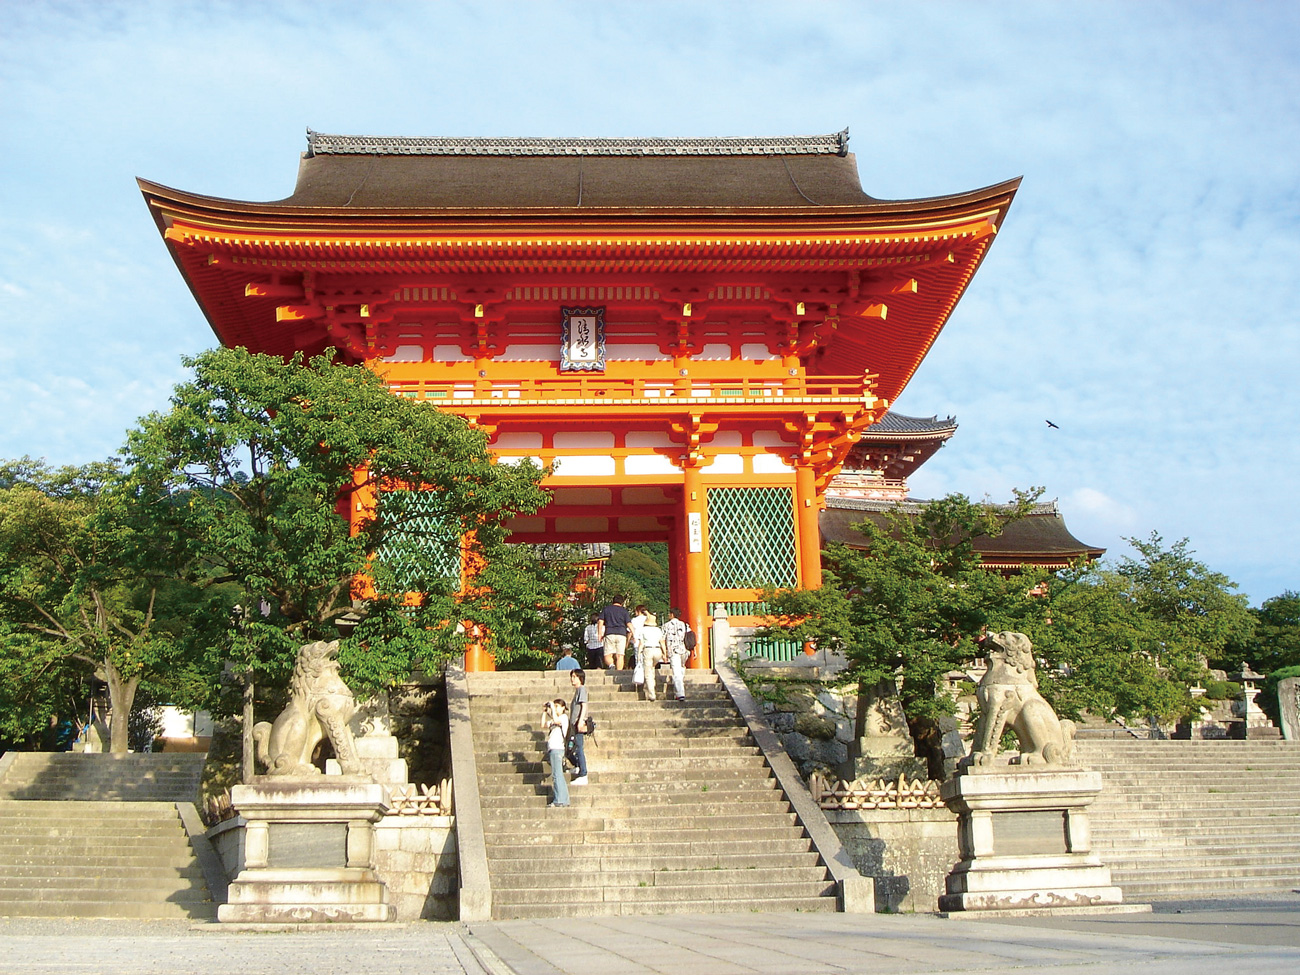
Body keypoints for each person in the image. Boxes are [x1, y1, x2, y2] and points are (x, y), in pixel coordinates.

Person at [660, 607, 694, 701]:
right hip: (684, 650)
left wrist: (664, 653)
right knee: (681, 668)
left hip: (673, 651)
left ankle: (680, 693)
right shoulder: (685, 625)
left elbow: (662, 639)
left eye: (669, 614)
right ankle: (678, 690)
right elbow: (690, 637)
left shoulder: (666, 626)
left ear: (672, 615)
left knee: (676, 672)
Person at [542, 698, 570, 807]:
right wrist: (545, 711)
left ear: (563, 708)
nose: (556, 708)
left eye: (558, 706)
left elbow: (557, 721)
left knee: (557, 775)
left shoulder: (563, 718)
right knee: (557, 774)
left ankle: (559, 799)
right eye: (555, 706)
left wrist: (552, 708)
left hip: (558, 748)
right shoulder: (555, 719)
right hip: (553, 748)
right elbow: (543, 724)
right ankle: (563, 799)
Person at [567, 669, 590, 786]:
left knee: (579, 748)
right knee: (572, 748)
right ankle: (577, 766)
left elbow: (584, 705)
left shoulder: (581, 689)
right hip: (574, 724)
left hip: (578, 724)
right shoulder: (578, 691)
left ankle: (583, 773)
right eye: (572, 676)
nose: (572, 679)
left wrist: (580, 721)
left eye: (575, 676)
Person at [635, 612, 665, 701]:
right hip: (658, 650)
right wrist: (665, 654)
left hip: (648, 649)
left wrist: (639, 654)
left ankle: (652, 694)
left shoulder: (643, 630)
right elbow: (662, 642)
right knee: (652, 668)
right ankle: (652, 683)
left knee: (647, 672)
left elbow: (641, 643)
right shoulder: (658, 630)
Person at [597, 596, 631, 670]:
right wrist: (633, 633)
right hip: (622, 634)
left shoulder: (606, 609)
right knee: (620, 655)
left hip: (609, 633)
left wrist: (599, 634)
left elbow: (600, 621)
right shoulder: (624, 611)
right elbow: (628, 623)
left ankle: (611, 665)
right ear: (622, 602)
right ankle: (618, 673)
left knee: (607, 655)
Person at [629, 604, 649, 685]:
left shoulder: (634, 620)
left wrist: (628, 641)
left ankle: (639, 678)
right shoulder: (648, 619)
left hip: (637, 641)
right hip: (647, 641)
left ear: (638, 611)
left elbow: (630, 631)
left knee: (639, 660)